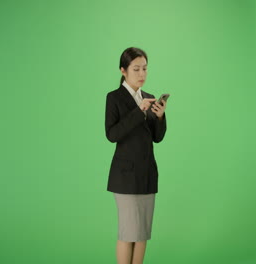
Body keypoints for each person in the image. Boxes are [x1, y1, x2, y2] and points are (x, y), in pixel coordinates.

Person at [105, 47, 168, 264]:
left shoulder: (149, 98)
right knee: (128, 232)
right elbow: (112, 134)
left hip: (147, 173)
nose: (142, 74)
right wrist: (139, 111)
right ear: (123, 70)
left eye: (145, 69)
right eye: (136, 69)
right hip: (125, 176)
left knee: (142, 233)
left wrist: (159, 117)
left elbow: (156, 138)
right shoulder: (114, 98)